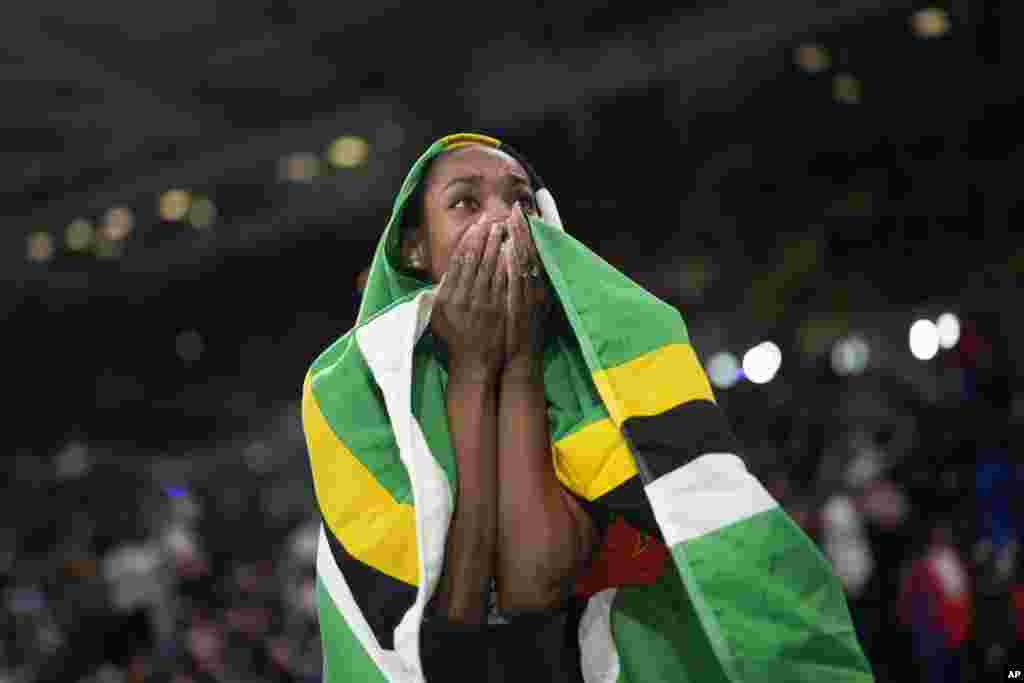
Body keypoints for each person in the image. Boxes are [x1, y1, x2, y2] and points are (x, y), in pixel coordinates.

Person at [396, 141, 598, 680]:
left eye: (522, 202)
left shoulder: (591, 364)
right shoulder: (372, 386)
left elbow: (534, 588)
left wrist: (521, 356)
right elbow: (453, 611)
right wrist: (472, 369)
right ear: (415, 248)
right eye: (465, 202)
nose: (505, 221)